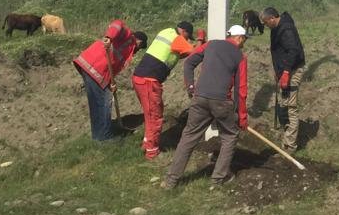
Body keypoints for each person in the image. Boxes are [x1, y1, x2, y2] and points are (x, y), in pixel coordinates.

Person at [161, 25, 249, 189]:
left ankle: (171, 181)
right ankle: (218, 179)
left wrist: (191, 87)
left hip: (200, 98)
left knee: (189, 136)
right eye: (244, 39)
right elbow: (241, 89)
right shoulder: (240, 56)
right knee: (230, 136)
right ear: (239, 38)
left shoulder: (211, 44)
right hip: (222, 101)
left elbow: (189, 62)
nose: (244, 43)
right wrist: (242, 117)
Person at [73, 21, 147, 142]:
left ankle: (98, 134)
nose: (138, 51)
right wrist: (109, 37)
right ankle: (103, 136)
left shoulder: (128, 50)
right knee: (104, 101)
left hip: (94, 69)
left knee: (98, 103)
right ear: (139, 42)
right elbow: (117, 24)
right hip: (94, 66)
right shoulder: (128, 37)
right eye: (140, 48)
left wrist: (110, 83)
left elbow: (111, 68)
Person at [131, 21, 195, 159]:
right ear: (184, 32)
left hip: (140, 78)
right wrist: (201, 40)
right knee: (155, 116)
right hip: (149, 80)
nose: (187, 40)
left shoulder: (166, 32)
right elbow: (193, 52)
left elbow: (178, 52)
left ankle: (147, 143)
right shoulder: (178, 38)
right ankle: (152, 151)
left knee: (150, 114)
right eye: (188, 37)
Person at [260, 7, 306, 152]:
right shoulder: (276, 28)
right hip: (285, 70)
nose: (265, 26)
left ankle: (290, 146)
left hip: (292, 70)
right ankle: (286, 141)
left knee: (290, 107)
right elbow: (279, 52)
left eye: (266, 23)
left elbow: (293, 51)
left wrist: (285, 71)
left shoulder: (286, 29)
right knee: (283, 105)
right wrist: (278, 70)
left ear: (272, 18)